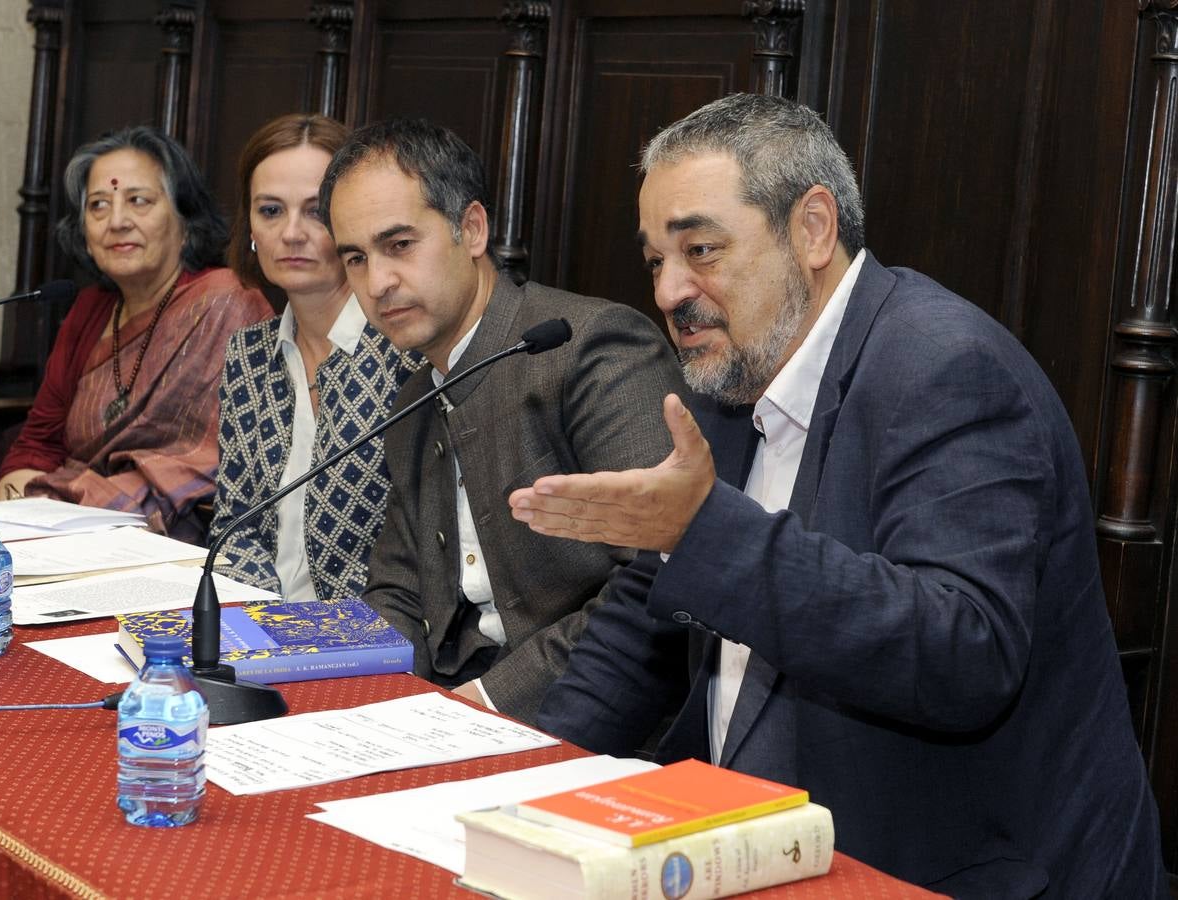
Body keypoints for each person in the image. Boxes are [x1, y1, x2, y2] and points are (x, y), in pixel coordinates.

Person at [511, 94, 1166, 896]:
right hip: (754, 843)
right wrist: (520, 791)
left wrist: (706, 534)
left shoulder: (946, 368)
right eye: (655, 260)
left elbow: (963, 650)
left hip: (956, 869)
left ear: (813, 228)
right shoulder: (734, 377)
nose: (670, 291)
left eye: (701, 249)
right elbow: (642, 620)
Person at [317, 118, 688, 724]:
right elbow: (398, 593)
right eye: (355, 258)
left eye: (400, 244)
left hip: (584, 721)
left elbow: (655, 583)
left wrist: (484, 706)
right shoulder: (412, 396)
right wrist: (371, 710)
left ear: (471, 229)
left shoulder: (590, 347)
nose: (377, 282)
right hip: (448, 712)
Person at [0, 126, 272, 543]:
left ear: (184, 220)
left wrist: (66, 502)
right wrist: (20, 504)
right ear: (85, 236)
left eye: (138, 201)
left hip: (174, 537)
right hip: (63, 528)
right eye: (98, 206)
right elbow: (39, 440)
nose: (117, 222)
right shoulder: (89, 311)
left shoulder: (227, 303)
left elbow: (218, 458)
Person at [211, 114, 422, 600]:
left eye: (315, 211)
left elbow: (417, 547)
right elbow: (234, 527)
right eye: (270, 211)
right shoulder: (249, 353)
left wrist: (319, 638)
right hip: (261, 628)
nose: (291, 233)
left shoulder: (405, 349)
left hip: (372, 634)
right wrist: (262, 621)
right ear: (250, 228)